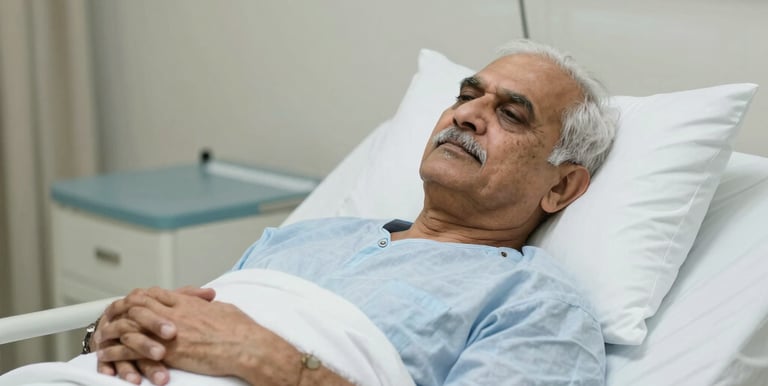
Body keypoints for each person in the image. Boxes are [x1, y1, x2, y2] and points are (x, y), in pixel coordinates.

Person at [87, 40, 617, 386]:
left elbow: (235, 345)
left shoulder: (537, 303)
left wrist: (276, 364)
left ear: (562, 186)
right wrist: (117, 333)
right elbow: (199, 329)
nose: (468, 115)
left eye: (510, 114)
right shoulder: (302, 237)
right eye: (466, 95)